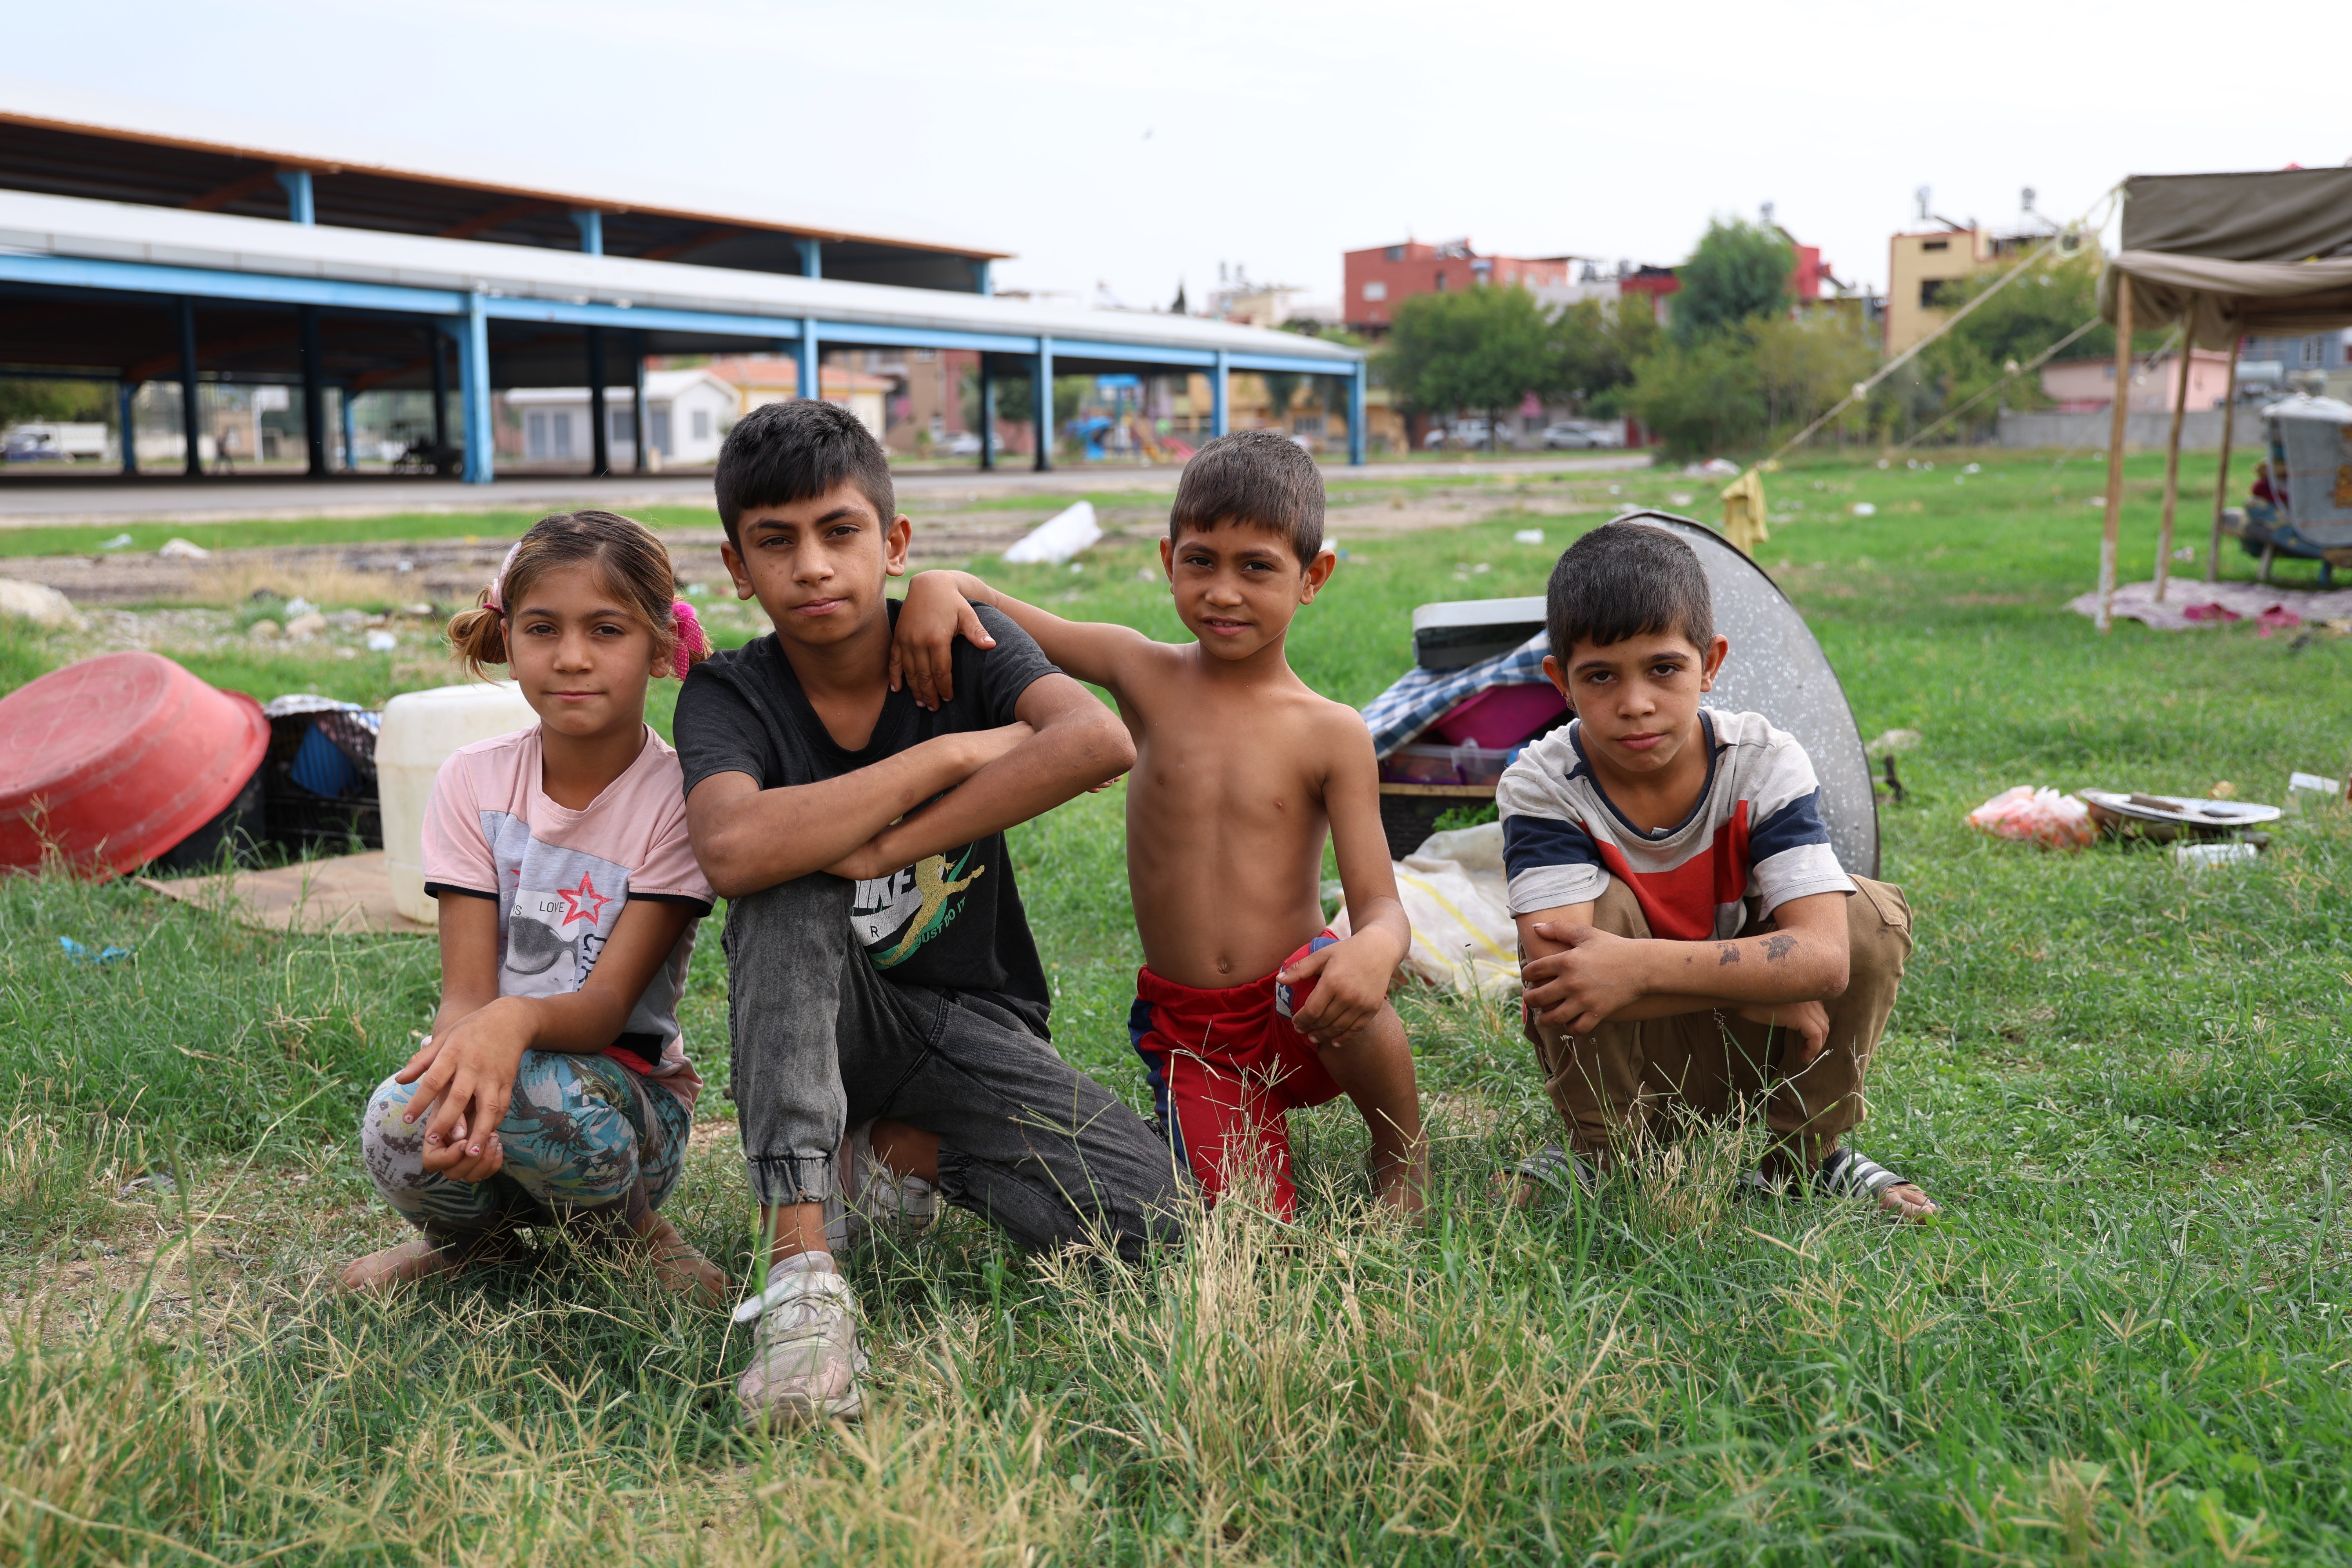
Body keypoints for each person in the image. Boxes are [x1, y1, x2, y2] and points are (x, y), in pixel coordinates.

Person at [673, 400, 1185, 1430]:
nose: (813, 566)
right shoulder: (729, 693)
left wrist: (888, 844)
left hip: (968, 1021)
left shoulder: (959, 644)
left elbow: (1096, 743)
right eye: (776, 544)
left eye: (840, 532)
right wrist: (951, 755)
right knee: (788, 876)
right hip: (823, 1016)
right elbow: (731, 850)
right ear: (738, 567)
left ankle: (894, 1156)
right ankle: (801, 1279)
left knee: (1160, 1223)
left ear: (895, 543)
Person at [893, 429, 1428, 1222]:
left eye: (1258, 567)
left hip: (1299, 1005)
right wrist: (939, 580)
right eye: (1200, 560)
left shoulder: (1331, 730)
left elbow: (1382, 906)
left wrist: (1372, 951)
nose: (1223, 591)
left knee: (1343, 984)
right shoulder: (1142, 669)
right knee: (1243, 1230)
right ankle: (1200, 1134)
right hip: (1195, 1029)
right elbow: (994, 606)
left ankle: (1400, 1152)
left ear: (1313, 576)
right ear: (1166, 557)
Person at [1496, 522, 1933, 1220]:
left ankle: (1803, 1160)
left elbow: (1825, 959)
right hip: (1633, 1059)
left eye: (1663, 669)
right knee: (1588, 926)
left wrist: (1638, 970)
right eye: (1601, 675)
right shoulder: (1544, 784)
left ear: (1711, 663)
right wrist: (1758, 985)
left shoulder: (1763, 761)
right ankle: (1602, 1156)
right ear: (1561, 683)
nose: (1635, 703)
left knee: (1867, 920)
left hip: (1753, 1050)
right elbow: (1567, 980)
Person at [343, 510, 727, 1297]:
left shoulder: (681, 796)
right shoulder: (472, 780)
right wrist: (457, 1104)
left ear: (659, 649)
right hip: (498, 1061)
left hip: (627, 1107)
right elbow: (464, 996)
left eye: (607, 629)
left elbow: (608, 1003)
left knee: (536, 1092)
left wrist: (508, 1032)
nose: (573, 656)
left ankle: (636, 1239)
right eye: (544, 628)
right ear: (509, 639)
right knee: (396, 1116)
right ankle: (475, 1244)